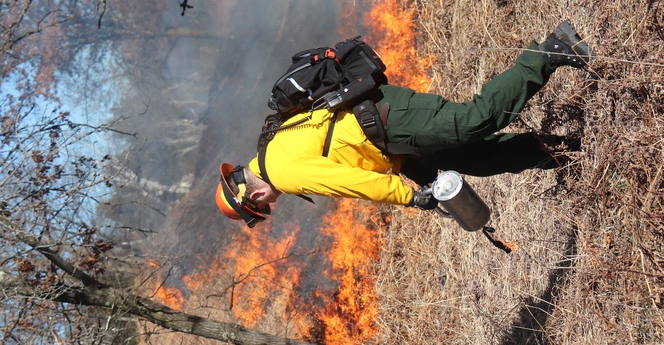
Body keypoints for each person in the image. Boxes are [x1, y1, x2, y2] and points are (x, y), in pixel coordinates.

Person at [215, 21, 592, 227]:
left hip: (387, 120)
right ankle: (568, 153)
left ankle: (550, 50)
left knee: (474, 121)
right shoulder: (271, 147)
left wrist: (410, 197)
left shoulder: (282, 173)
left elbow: (353, 183)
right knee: (478, 160)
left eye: (263, 210)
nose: (270, 208)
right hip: (387, 141)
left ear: (255, 197)